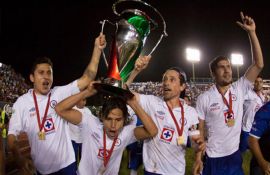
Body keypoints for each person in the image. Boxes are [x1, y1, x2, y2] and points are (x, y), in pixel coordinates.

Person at [7, 33, 106, 175]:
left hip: (67, 165)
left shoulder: (59, 93)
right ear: (32, 78)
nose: (46, 76)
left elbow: (87, 77)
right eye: (41, 73)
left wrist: (97, 49)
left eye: (49, 73)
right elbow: (11, 136)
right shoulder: (21, 103)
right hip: (42, 170)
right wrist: (19, 158)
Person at [196, 12, 264, 175]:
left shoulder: (239, 88)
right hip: (213, 158)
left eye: (229, 66)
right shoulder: (204, 98)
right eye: (222, 67)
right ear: (213, 73)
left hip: (234, 156)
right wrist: (198, 157)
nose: (227, 70)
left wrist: (252, 33)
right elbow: (200, 131)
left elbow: (258, 64)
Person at [54, 81, 158, 175]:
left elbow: (152, 131)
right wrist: (86, 93)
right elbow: (59, 109)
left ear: (125, 119)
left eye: (118, 120)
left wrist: (134, 104)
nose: (113, 125)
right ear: (102, 117)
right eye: (109, 119)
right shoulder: (89, 123)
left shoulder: (127, 132)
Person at [127, 56, 205, 175]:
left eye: (172, 79)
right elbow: (123, 92)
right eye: (164, 79)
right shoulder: (152, 102)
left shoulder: (190, 112)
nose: (166, 83)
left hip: (176, 171)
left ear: (182, 86)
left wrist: (198, 153)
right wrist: (135, 71)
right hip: (152, 171)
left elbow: (194, 141)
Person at [239, 76, 266, 152]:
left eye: (260, 82)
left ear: (262, 84)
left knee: (255, 148)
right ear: (253, 83)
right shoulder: (248, 94)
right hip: (246, 127)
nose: (258, 83)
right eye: (256, 81)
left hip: (256, 127)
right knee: (242, 151)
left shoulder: (262, 97)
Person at [68, 98, 92, 165]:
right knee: (73, 159)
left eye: (85, 100)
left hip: (84, 140)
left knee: (83, 160)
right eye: (83, 100)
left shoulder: (88, 111)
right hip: (72, 139)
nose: (84, 103)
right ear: (77, 100)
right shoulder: (71, 109)